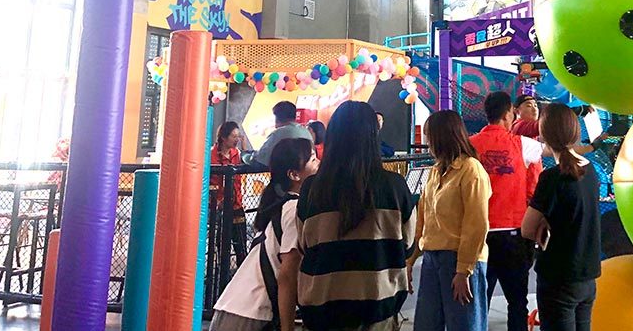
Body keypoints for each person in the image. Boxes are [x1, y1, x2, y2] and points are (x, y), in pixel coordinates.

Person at [296, 101, 416, 331]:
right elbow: (407, 246)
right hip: (378, 312)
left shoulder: (312, 189)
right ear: (373, 137)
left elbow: (305, 245)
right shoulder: (395, 187)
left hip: (322, 313)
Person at [210, 137, 319, 331]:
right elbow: (288, 274)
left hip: (236, 309)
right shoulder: (295, 209)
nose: (319, 164)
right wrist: (287, 328)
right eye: (313, 160)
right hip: (250, 316)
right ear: (294, 174)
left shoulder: (282, 205)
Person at [521, 104, 601, 331]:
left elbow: (527, 229)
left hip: (558, 276)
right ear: (576, 132)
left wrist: (545, 224)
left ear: (543, 134)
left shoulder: (551, 177)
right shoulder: (591, 170)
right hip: (587, 275)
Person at [410, 110, 491, 331]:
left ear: (443, 137)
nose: (427, 144)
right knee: (426, 325)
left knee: (464, 324)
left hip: (461, 260)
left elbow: (476, 224)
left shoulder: (471, 170)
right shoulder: (435, 171)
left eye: (430, 137)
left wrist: (463, 270)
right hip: (432, 257)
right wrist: (411, 260)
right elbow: (423, 218)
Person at [469, 93, 544, 331]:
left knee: (478, 302)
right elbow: (550, 155)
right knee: (517, 302)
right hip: (513, 233)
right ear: (507, 114)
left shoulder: (469, 145)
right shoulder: (523, 145)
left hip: (479, 235)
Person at [212, 121, 249, 266]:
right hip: (219, 207)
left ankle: (242, 275)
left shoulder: (237, 154)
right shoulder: (211, 155)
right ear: (223, 138)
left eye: (238, 136)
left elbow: (248, 164)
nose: (236, 140)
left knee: (241, 244)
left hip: (237, 204)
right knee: (222, 245)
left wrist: (245, 148)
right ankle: (223, 278)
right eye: (234, 136)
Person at [254, 101, 312, 167]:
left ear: (277, 118)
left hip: (286, 175)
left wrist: (246, 157)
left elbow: (261, 159)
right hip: (308, 174)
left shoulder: (279, 133)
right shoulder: (305, 132)